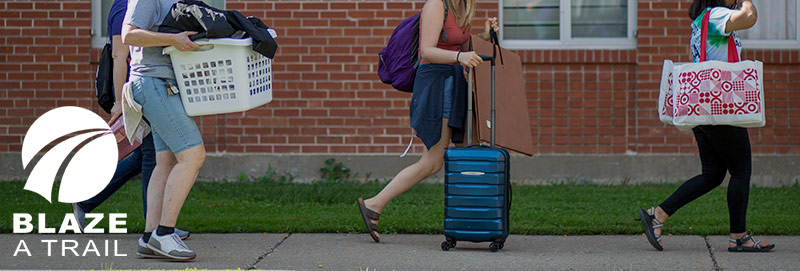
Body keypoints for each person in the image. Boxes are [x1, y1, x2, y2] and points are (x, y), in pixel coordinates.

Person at [357, 0, 499, 243]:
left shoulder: (462, 6)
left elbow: (460, 45)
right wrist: (459, 56)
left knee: (470, 147)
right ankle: (374, 204)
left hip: (454, 82)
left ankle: (476, 218)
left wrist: (484, 35)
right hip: (436, 84)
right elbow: (427, 50)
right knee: (433, 161)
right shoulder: (437, 4)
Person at [639, 0, 774, 253]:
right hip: (720, 107)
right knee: (741, 170)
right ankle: (739, 237)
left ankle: (656, 214)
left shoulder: (702, 20)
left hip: (701, 107)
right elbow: (750, 17)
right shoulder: (717, 16)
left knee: (712, 174)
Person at [71, 0, 189, 244]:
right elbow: (118, 54)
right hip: (136, 88)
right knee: (152, 156)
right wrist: (119, 102)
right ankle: (156, 229)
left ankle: (86, 199)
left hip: (142, 85)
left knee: (146, 156)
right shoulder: (125, 8)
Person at [122, 0, 206, 261]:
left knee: (166, 161)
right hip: (152, 81)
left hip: (165, 82)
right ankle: (165, 233)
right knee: (193, 155)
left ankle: (149, 238)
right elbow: (129, 34)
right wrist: (174, 39)